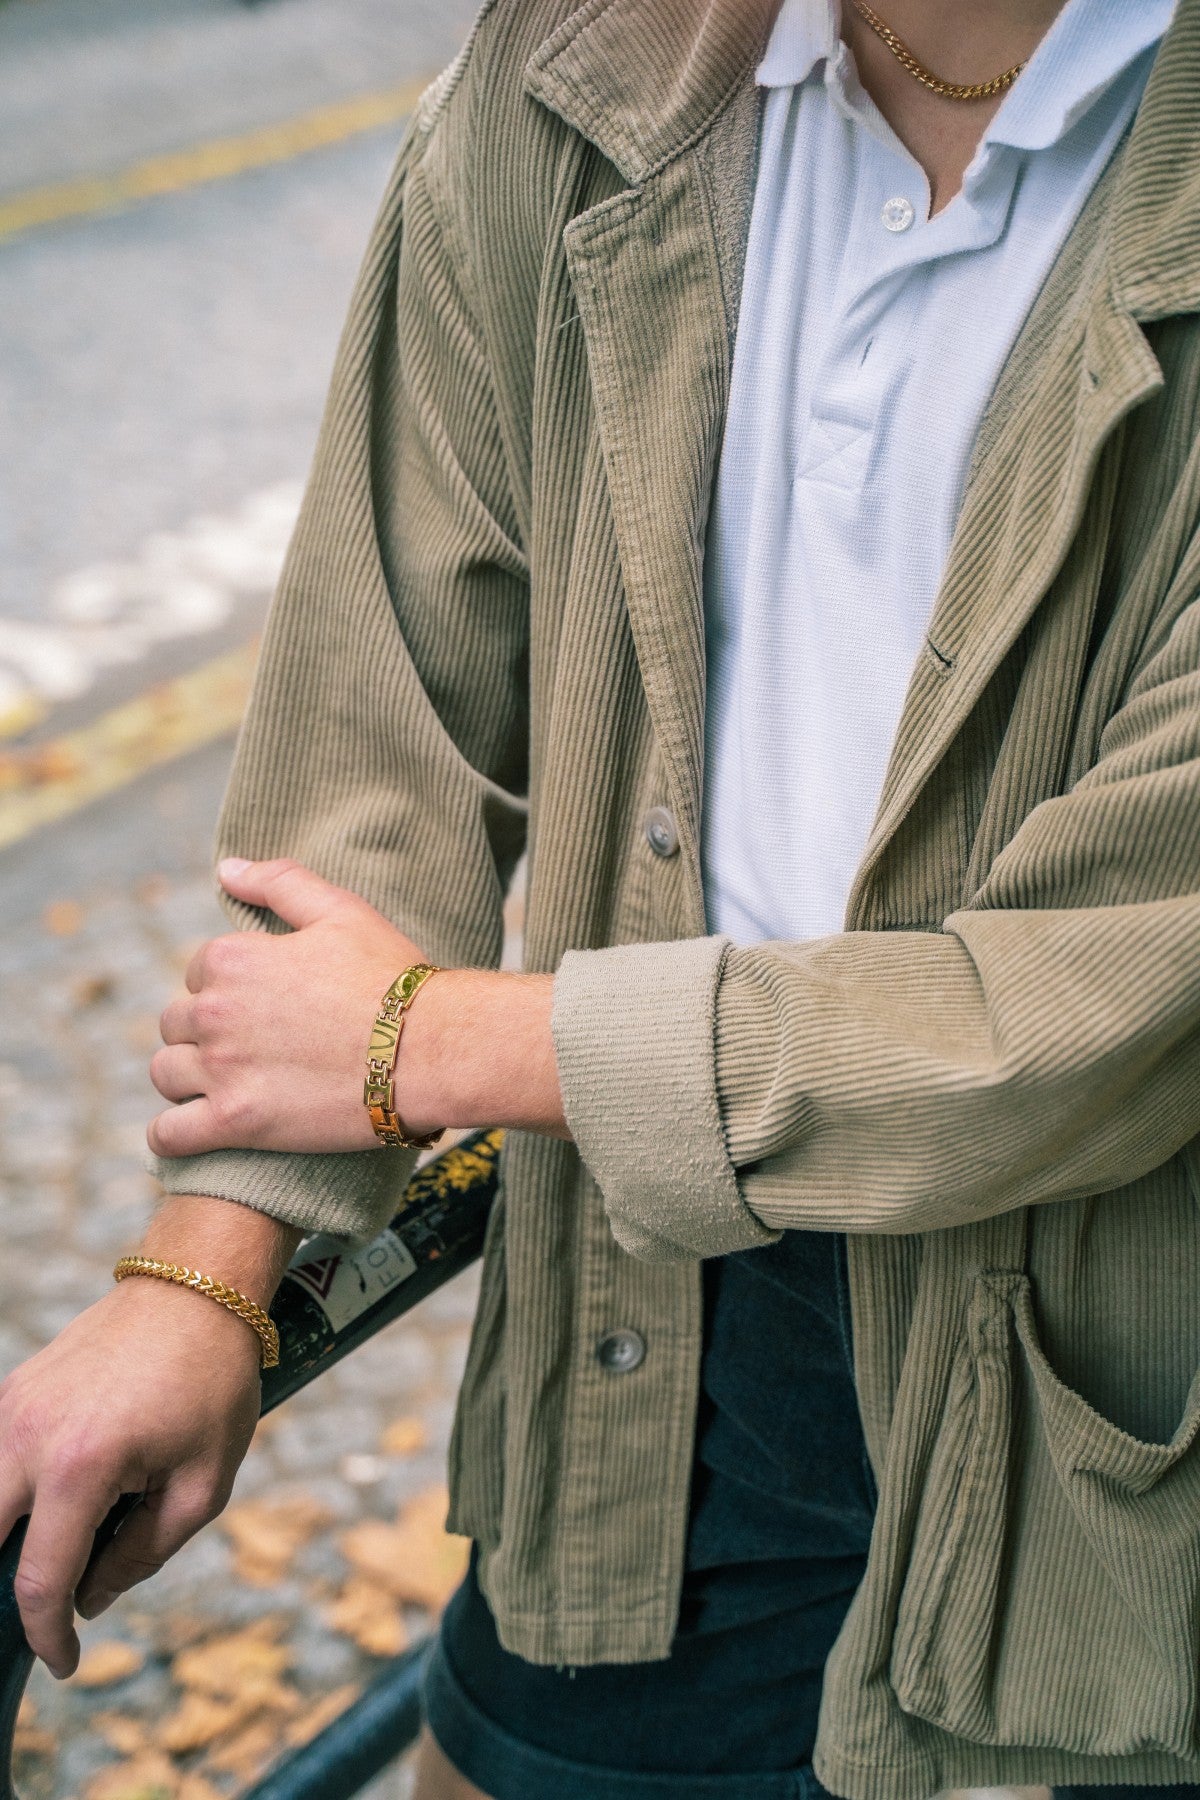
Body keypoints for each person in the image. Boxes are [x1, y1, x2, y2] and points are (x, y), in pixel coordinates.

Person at [3, 0, 1200, 1795]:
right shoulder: (582, 64)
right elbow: (383, 724)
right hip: (654, 1340)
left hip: (1123, 1362)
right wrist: (213, 1265)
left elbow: (1105, 1001)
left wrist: (448, 1041)